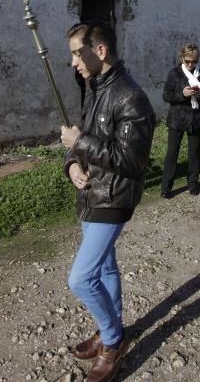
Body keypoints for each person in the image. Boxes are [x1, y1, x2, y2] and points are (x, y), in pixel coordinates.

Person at [61, 20, 156, 380]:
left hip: (113, 198)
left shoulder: (131, 97)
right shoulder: (95, 88)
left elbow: (132, 161)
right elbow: (82, 141)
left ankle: (113, 340)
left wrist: (78, 145)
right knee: (105, 269)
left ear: (99, 51)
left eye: (76, 53)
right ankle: (108, 329)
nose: (73, 63)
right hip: (91, 192)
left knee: (81, 279)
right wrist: (72, 165)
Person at [160, 44, 200, 198]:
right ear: (182, 58)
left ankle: (193, 184)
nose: (191, 64)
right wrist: (182, 93)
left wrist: (198, 95)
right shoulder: (174, 74)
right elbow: (166, 96)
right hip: (177, 119)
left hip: (195, 119)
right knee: (172, 153)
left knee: (194, 153)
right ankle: (166, 187)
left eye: (194, 61)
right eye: (188, 61)